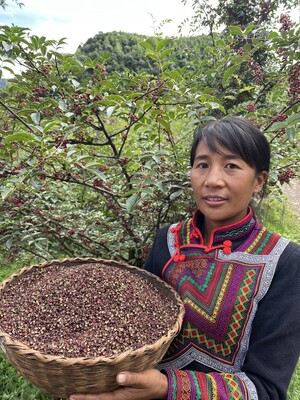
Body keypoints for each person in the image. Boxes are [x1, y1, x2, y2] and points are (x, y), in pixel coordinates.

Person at [70, 116, 300, 400]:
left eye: (231, 166)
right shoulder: (167, 241)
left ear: (259, 181)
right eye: (202, 164)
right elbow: (135, 329)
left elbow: (266, 390)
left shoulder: (284, 261)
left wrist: (168, 386)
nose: (212, 181)